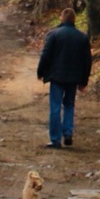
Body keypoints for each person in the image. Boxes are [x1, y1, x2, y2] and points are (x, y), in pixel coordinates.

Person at [36, 8, 92, 149]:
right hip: (73, 78)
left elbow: (46, 54)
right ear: (74, 20)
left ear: (62, 18)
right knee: (69, 105)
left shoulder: (54, 34)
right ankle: (67, 133)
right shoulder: (82, 37)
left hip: (57, 76)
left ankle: (55, 139)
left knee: (55, 107)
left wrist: (40, 71)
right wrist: (84, 81)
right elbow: (87, 61)